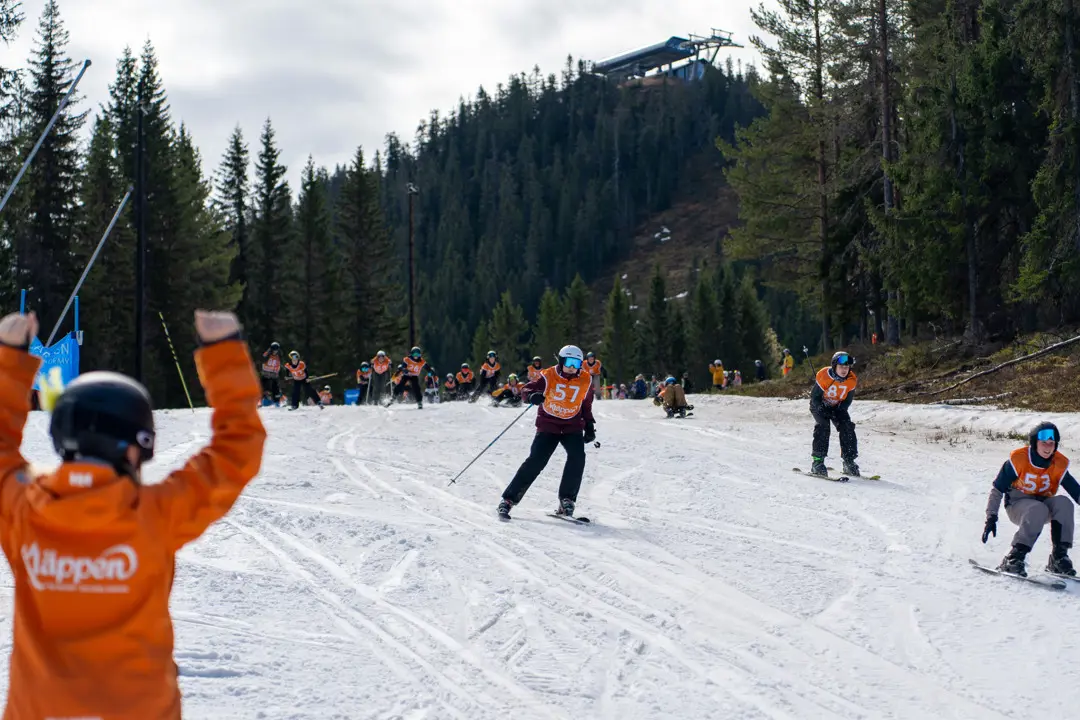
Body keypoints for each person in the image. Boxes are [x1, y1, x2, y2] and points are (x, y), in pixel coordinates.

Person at [0, 309, 266, 718]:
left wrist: (9, 356)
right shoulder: (154, 513)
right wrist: (223, 350)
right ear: (134, 446)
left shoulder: (24, 508)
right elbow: (236, 453)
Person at [498, 345, 595, 520]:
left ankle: (567, 500)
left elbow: (586, 404)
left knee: (578, 457)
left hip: (572, 425)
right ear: (561, 361)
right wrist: (532, 396)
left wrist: (589, 424)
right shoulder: (548, 375)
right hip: (549, 424)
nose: (573, 367)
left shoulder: (586, 380)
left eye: (577, 363)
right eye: (569, 362)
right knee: (536, 461)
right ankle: (508, 500)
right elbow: (526, 389)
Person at [982, 422, 1080, 577]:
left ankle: (1058, 558)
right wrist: (991, 517)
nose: (1048, 447)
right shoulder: (1019, 460)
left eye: (1051, 443)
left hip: (1042, 504)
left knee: (1064, 503)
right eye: (1043, 443)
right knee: (1037, 509)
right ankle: (1013, 557)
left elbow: (1076, 492)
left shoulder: (1058, 463)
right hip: (1017, 505)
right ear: (1035, 443)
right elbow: (997, 488)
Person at [809, 351, 858, 476]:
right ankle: (817, 462)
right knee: (823, 427)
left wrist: (840, 409)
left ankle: (849, 461)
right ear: (834, 366)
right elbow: (814, 397)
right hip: (820, 405)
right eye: (841, 367)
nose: (844, 370)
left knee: (847, 427)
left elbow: (847, 400)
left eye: (847, 367)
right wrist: (821, 408)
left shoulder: (851, 380)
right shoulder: (824, 375)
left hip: (838, 407)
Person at [260, 342, 283, 406]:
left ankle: (277, 402)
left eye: (276, 350)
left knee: (276, 389)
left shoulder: (278, 356)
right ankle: (263, 401)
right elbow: (262, 359)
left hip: (274, 375)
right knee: (264, 388)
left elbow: (279, 365)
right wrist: (268, 352)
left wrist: (277, 373)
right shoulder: (267, 354)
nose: (275, 351)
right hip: (266, 374)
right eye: (274, 349)